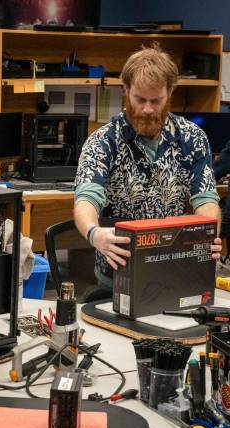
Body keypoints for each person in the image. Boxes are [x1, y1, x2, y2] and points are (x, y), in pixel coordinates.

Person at [74, 43, 222, 288]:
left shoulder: (192, 138)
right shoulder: (103, 142)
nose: (147, 109)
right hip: (119, 276)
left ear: (171, 92)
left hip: (175, 270)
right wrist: (94, 233)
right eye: (139, 99)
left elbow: (205, 199)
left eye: (156, 100)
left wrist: (206, 234)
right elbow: (86, 199)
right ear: (125, 90)